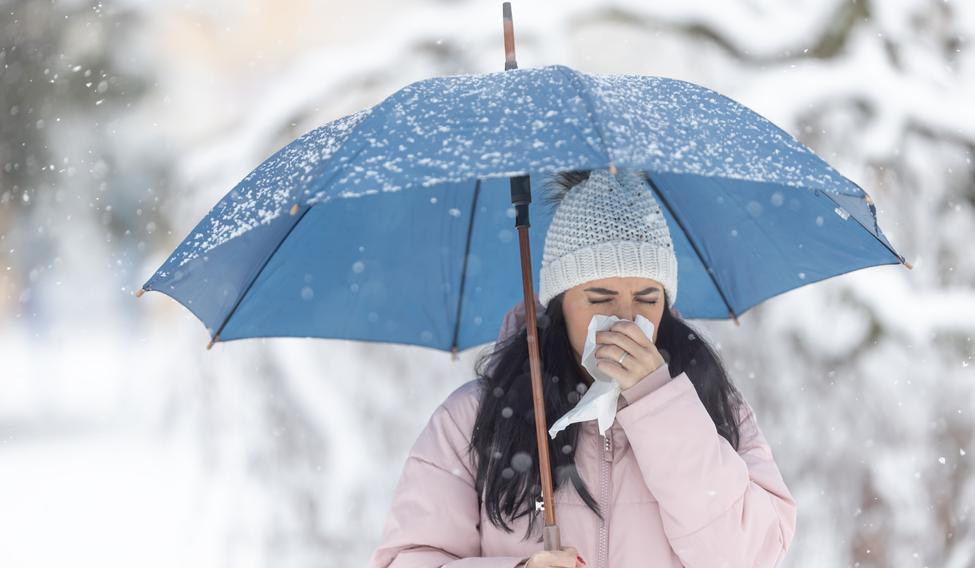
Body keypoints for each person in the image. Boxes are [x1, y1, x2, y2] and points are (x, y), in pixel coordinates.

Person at [368, 168, 797, 567]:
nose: (626, 318)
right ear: (560, 304)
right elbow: (409, 557)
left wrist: (660, 404)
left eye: (647, 298)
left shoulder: (710, 404)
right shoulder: (473, 419)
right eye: (600, 299)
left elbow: (750, 555)